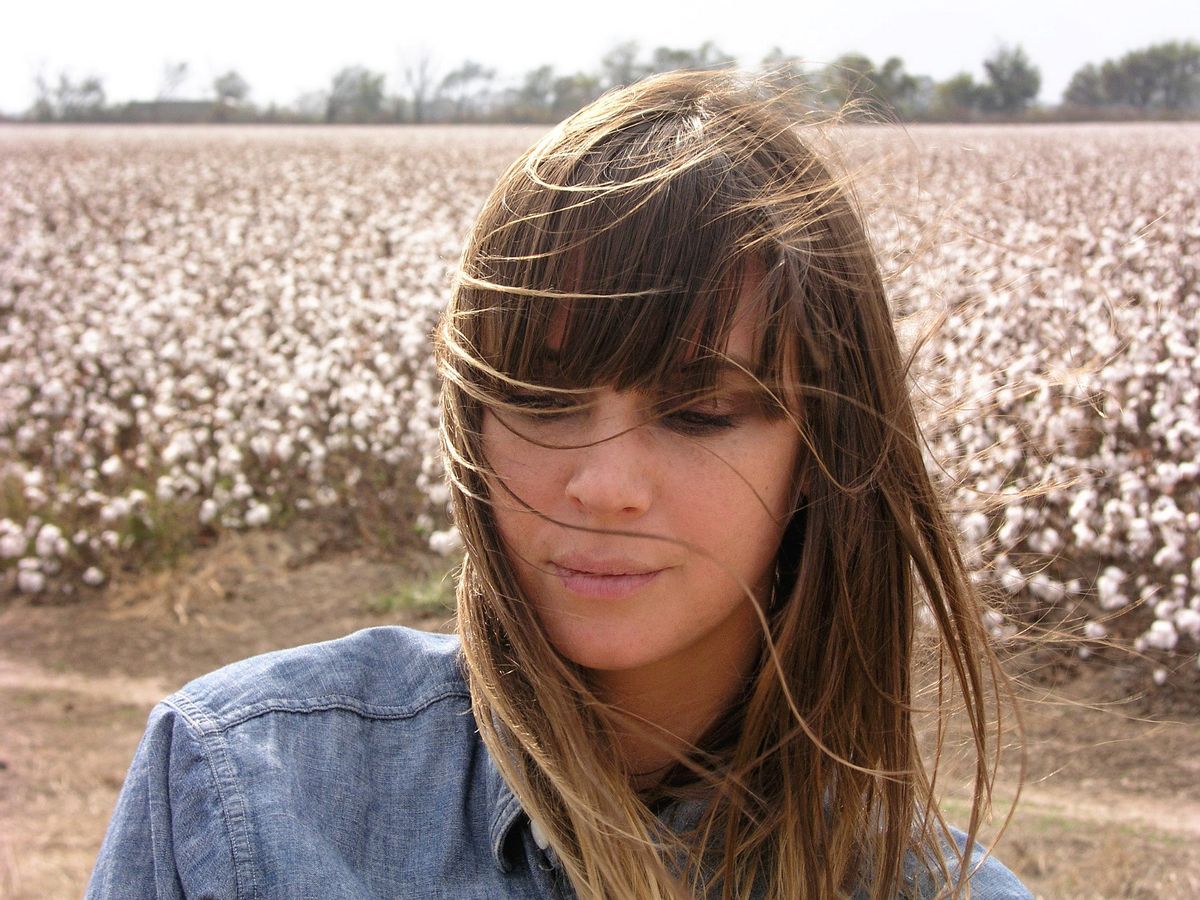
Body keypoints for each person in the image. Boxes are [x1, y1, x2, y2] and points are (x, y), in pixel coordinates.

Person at [87, 70, 1031, 899]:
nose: (605, 486)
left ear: (826, 451)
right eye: (541, 399)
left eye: (700, 411)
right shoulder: (243, 793)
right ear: (471, 420)